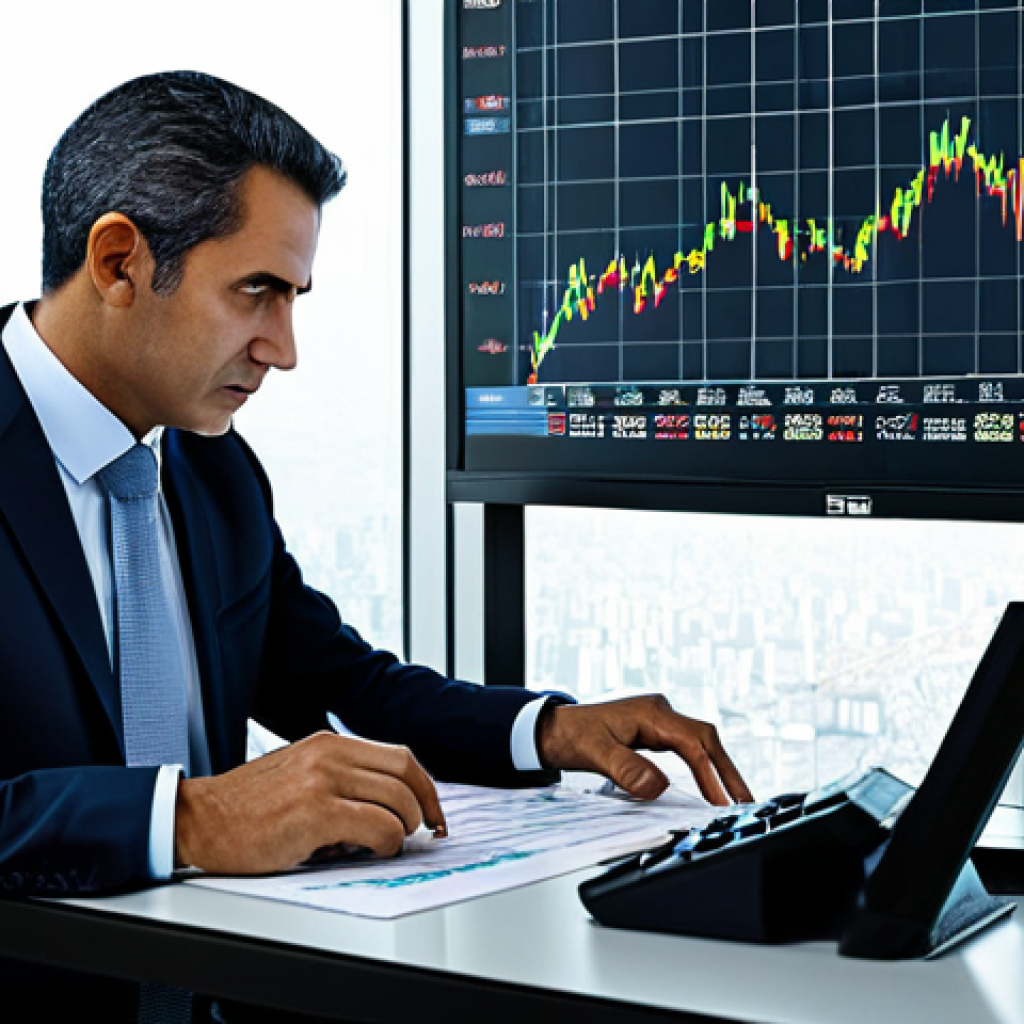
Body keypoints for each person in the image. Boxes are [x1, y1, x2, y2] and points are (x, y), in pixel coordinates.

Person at [0, 71, 751, 1020]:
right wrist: (191, 818)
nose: (284, 347)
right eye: (257, 293)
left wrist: (551, 730)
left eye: (295, 297)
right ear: (118, 263)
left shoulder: (212, 473)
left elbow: (343, 685)